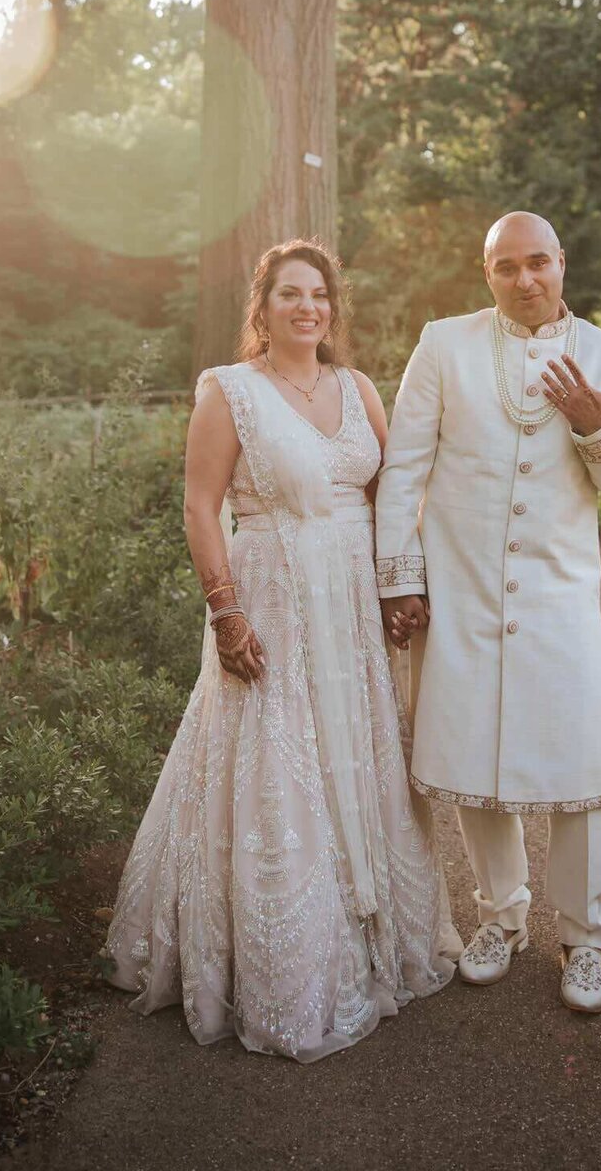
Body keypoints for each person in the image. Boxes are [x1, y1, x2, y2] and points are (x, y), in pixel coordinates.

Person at [106, 239, 456, 1060]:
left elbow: (393, 491)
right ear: (260, 308)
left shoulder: (361, 389)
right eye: (290, 294)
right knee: (276, 759)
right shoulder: (231, 393)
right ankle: (282, 962)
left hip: (350, 608)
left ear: (333, 308)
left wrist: (399, 588)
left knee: (362, 755)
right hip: (273, 599)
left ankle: (376, 936)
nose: (308, 307)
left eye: (320, 294)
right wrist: (225, 613)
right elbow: (200, 507)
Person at [374, 211, 601, 1012]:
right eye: (507, 267)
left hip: (562, 599)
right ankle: (500, 918)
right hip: (462, 592)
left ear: (562, 263)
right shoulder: (445, 345)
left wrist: (600, 429)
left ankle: (586, 938)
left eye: (539, 263)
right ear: (486, 272)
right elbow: (403, 470)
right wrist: (400, 579)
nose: (525, 280)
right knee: (471, 761)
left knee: (582, 768)